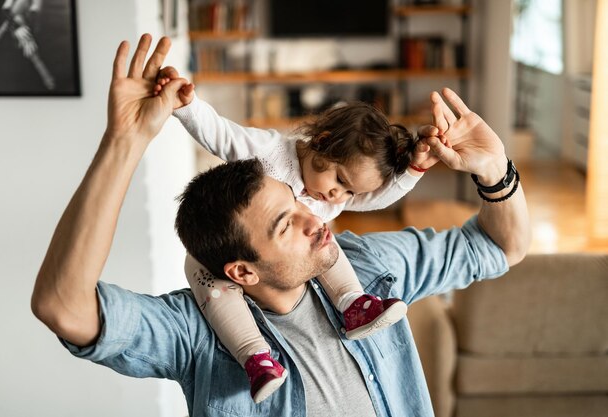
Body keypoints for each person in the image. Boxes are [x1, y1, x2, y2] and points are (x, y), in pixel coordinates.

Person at [32, 35, 531, 417]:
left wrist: (495, 171)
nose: (314, 216)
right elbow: (63, 306)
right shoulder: (198, 335)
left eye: (298, 204)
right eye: (283, 223)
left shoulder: (370, 269)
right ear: (242, 271)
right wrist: (125, 140)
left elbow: (502, 247)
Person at [153, 68, 442, 402]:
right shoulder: (270, 153)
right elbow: (221, 134)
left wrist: (414, 170)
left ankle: (352, 303)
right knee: (208, 281)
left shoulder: (331, 198)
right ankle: (255, 358)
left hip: (295, 252)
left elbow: (375, 198)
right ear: (321, 141)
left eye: (349, 193)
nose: (338, 197)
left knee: (326, 243)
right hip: (228, 246)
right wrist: (187, 106)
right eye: (339, 180)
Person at [0, 0, 55, 90]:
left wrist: (23, 29)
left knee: (31, 50)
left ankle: (47, 78)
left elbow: (33, 18)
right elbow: (6, 11)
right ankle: (47, 79)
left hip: (23, 25)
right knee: (10, 24)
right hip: (17, 22)